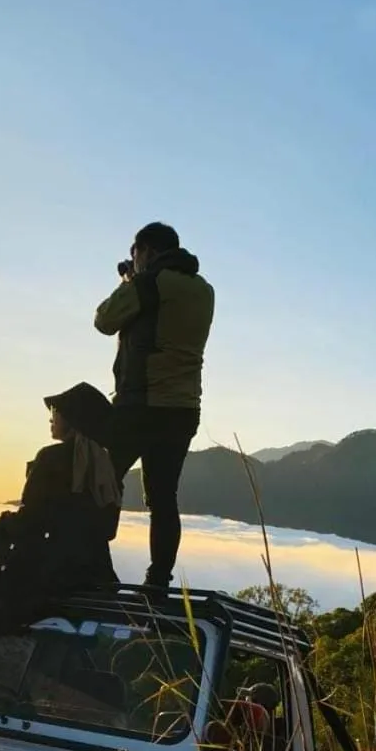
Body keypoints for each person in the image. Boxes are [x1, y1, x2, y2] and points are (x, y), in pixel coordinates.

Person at [94, 222, 215, 591]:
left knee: (102, 480)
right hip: (182, 409)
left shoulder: (149, 284)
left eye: (135, 254)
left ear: (145, 251)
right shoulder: (203, 289)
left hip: (141, 404)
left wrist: (129, 282)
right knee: (164, 499)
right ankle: (158, 581)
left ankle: (92, 564)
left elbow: (104, 320)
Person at [0, 382, 121, 636]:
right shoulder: (107, 469)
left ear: (73, 420)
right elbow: (107, 531)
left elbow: (30, 521)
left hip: (48, 569)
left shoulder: (51, 457)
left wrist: (4, 522)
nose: (51, 419)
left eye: (56, 412)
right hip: (91, 569)